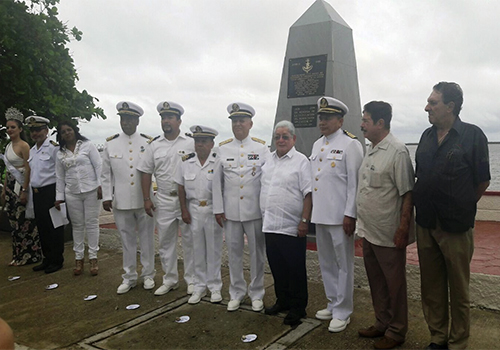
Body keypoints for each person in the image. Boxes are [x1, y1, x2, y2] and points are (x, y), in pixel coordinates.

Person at [414, 82, 490, 350]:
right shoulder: (424, 136)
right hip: (425, 223)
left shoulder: (473, 135)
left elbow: (482, 182)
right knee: (431, 286)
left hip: (455, 226)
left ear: (451, 106)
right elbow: (421, 175)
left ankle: (457, 342)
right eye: (428, 102)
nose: (427, 107)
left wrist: (460, 205)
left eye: (433, 103)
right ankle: (438, 338)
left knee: (458, 289)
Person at [356, 101, 414, 349]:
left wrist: (402, 229)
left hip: (389, 233)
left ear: (380, 123)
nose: (362, 125)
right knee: (377, 281)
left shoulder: (398, 151)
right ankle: (382, 323)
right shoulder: (370, 148)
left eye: (366, 120)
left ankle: (397, 331)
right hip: (369, 231)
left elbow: (407, 194)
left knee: (394, 285)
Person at [310, 96, 363, 332]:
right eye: (321, 117)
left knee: (344, 265)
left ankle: (344, 310)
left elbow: (355, 184)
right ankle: (332, 303)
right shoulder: (316, 144)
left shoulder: (351, 145)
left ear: (340, 120)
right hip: (320, 215)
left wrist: (350, 214)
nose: (323, 121)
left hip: (340, 216)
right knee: (327, 263)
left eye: (328, 117)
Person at [212, 102, 270, 312]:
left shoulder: (261, 148)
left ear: (250, 123)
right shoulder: (223, 148)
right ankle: (236, 292)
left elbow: (268, 179)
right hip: (231, 212)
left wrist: (265, 210)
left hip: (254, 211)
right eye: (234, 121)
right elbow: (216, 182)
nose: (238, 124)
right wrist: (218, 209)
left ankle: (256, 293)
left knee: (256, 254)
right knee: (234, 253)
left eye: (241, 120)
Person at [138, 101, 195, 296]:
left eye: (170, 117)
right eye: (163, 118)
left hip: (186, 201)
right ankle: (170, 279)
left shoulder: (190, 143)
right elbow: (145, 172)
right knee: (165, 242)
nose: (166, 121)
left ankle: (192, 280)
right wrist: (147, 198)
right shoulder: (154, 145)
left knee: (190, 242)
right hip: (163, 199)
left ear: (179, 121)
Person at [260, 120, 312, 326]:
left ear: (293, 139)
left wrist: (304, 221)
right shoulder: (268, 160)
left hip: (291, 226)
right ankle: (283, 300)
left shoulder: (301, 161)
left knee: (295, 269)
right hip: (270, 224)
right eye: (277, 137)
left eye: (285, 137)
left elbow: (308, 194)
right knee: (277, 267)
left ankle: (298, 307)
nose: (281, 140)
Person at [101, 101, 156, 293]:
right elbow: (106, 174)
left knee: (147, 238)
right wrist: (107, 196)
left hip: (144, 200)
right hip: (121, 200)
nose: (126, 123)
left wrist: (152, 195)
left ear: (137, 121)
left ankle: (148, 274)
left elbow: (153, 172)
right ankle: (129, 276)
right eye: (123, 119)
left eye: (130, 119)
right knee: (126, 240)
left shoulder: (148, 143)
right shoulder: (111, 143)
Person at [175, 125, 223, 305]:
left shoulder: (218, 161)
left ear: (212, 143)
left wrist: (221, 210)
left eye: (204, 141)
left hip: (212, 209)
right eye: (197, 141)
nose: (199, 145)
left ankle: (215, 286)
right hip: (193, 209)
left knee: (213, 249)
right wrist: (183, 210)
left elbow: (223, 188)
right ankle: (199, 286)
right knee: (196, 250)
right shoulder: (186, 161)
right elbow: (180, 187)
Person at [54, 121, 102, 276]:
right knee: (77, 226)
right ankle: (79, 258)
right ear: (60, 135)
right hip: (72, 192)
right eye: (63, 131)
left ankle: (93, 258)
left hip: (91, 190)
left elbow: (98, 166)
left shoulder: (87, 146)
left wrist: (101, 185)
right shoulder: (60, 153)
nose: (67, 133)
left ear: (75, 131)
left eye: (69, 130)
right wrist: (59, 197)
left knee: (92, 224)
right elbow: (60, 176)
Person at [1, 107, 41, 266]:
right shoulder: (8, 146)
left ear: (20, 129)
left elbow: (29, 168)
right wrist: (4, 189)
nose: (10, 130)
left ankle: (30, 255)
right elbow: (7, 169)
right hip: (11, 187)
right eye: (8, 127)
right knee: (13, 223)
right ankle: (17, 255)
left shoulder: (24, 146)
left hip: (21, 187)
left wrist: (24, 191)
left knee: (24, 222)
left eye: (13, 127)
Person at [26, 116, 65, 274]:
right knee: (42, 227)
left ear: (46, 131)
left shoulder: (53, 148)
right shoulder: (32, 150)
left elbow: (61, 173)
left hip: (51, 191)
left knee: (54, 227)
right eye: (33, 130)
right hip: (37, 193)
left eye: (38, 130)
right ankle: (47, 258)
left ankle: (57, 260)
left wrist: (59, 196)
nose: (35, 133)